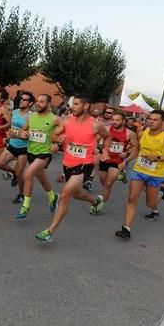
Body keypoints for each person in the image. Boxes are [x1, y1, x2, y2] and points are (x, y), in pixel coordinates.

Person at [34, 95, 112, 243]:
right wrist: (58, 141)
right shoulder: (67, 120)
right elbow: (53, 135)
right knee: (77, 194)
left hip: (85, 164)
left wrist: (105, 150)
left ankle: (49, 232)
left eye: (76, 104)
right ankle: (95, 201)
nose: (73, 107)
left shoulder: (96, 125)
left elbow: (107, 137)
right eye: (72, 104)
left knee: (64, 195)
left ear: (86, 106)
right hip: (68, 163)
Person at [114, 109, 164, 240]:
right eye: (150, 119)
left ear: (162, 122)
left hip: (156, 174)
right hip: (139, 170)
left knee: (150, 204)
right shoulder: (143, 132)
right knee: (132, 198)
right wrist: (126, 161)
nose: (152, 121)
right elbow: (137, 149)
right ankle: (126, 229)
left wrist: (156, 157)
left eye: (155, 119)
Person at [15, 94, 60, 220]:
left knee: (28, 174)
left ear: (48, 104)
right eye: (37, 102)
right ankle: (53, 197)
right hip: (31, 152)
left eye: (42, 102)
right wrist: (20, 134)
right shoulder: (31, 117)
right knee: (42, 178)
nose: (38, 104)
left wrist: (57, 143)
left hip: (44, 153)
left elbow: (64, 132)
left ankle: (25, 206)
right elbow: (23, 131)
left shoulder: (55, 119)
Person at [0, 91, 33, 204]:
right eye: (21, 99)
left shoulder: (31, 116)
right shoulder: (15, 112)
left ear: (31, 103)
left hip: (24, 148)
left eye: (25, 99)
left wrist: (16, 135)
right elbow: (12, 128)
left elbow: (30, 135)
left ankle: (21, 195)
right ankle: (14, 174)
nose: (22, 101)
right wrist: (8, 138)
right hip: (12, 144)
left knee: (20, 172)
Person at [97, 112, 138, 206]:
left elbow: (136, 149)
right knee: (103, 182)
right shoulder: (106, 129)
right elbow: (95, 139)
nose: (114, 122)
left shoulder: (130, 133)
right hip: (105, 159)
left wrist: (126, 155)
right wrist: (100, 150)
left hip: (117, 162)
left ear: (123, 121)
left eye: (117, 120)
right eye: (113, 119)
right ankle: (121, 175)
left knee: (108, 184)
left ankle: (99, 205)